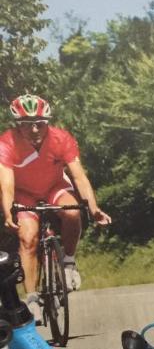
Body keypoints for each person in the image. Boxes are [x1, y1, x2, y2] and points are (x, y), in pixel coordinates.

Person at [0, 94, 112, 324]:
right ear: (17, 126)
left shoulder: (61, 138)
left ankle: (69, 262)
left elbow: (79, 176)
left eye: (40, 123)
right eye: (27, 125)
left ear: (47, 122)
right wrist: (8, 211)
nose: (34, 130)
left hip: (54, 186)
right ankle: (32, 298)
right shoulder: (6, 143)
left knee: (72, 212)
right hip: (24, 192)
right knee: (28, 236)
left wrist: (93, 207)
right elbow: (7, 183)